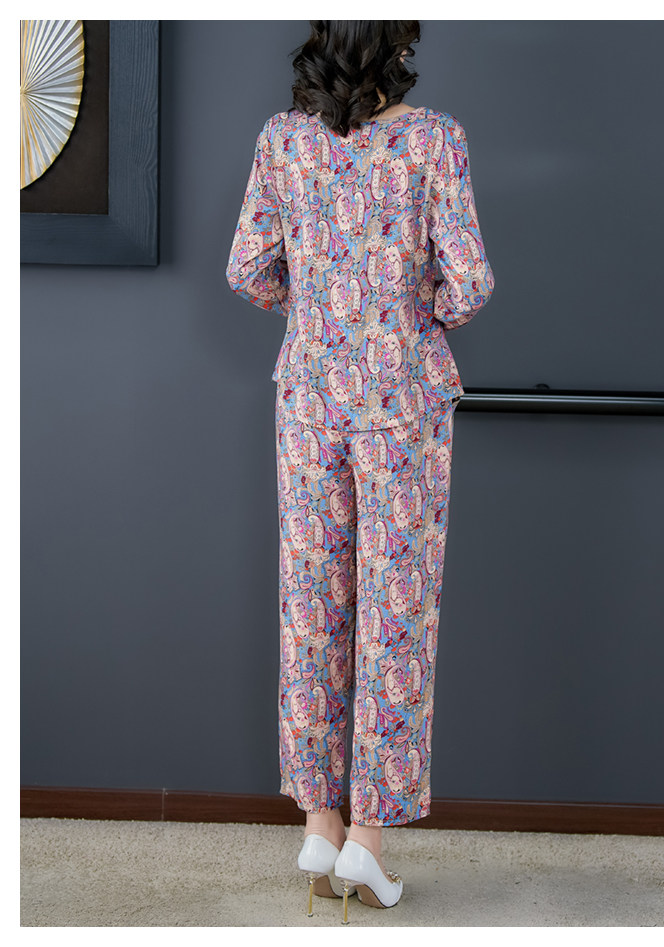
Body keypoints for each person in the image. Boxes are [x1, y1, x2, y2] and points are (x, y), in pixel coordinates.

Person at [225, 20, 494, 922]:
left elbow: (249, 269)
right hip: (404, 401)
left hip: (309, 395)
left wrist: (319, 311)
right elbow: (471, 283)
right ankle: (367, 844)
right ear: (399, 45)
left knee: (312, 604)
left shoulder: (283, 141)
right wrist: (409, 315)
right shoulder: (435, 140)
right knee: (395, 613)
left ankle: (318, 820)